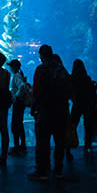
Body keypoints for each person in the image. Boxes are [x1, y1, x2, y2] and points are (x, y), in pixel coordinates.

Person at [29, 45, 71, 181]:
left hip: (45, 111)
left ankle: (43, 170)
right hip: (61, 111)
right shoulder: (61, 69)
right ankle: (58, 169)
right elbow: (69, 88)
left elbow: (36, 92)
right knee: (59, 141)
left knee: (43, 141)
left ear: (41, 55)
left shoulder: (40, 70)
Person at [70, 59, 96, 156]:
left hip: (77, 104)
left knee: (72, 125)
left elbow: (70, 91)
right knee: (88, 125)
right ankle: (87, 146)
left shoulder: (73, 78)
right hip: (87, 104)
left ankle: (69, 145)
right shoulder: (87, 78)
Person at [7, 59, 30, 156]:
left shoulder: (16, 76)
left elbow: (22, 87)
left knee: (15, 125)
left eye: (11, 66)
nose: (10, 68)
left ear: (14, 67)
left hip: (18, 103)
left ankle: (17, 146)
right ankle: (22, 145)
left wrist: (15, 96)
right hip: (20, 103)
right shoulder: (19, 75)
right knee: (19, 124)